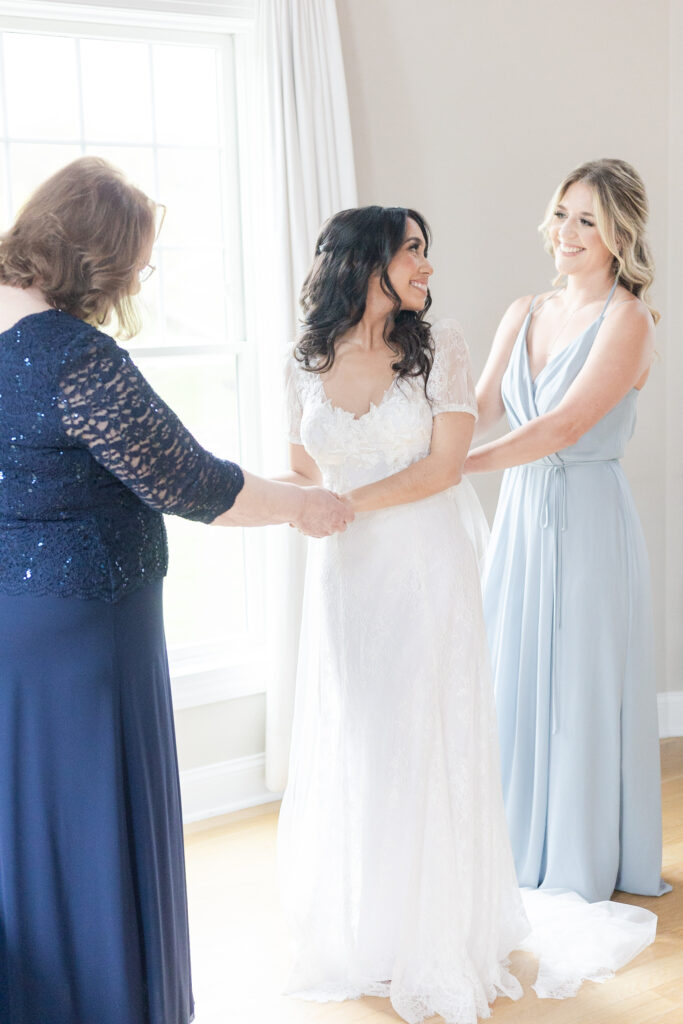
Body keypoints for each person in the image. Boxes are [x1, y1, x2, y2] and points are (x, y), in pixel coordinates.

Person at [0, 156, 351, 1024]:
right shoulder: (73, 357)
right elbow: (191, 483)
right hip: (89, 631)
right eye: (139, 265)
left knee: (29, 830)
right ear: (100, 258)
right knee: (92, 826)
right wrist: (304, 504)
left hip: (15, 625)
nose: (137, 282)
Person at [277, 205, 530, 1024]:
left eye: (425, 251)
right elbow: (300, 462)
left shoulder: (439, 348)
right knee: (366, 736)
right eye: (412, 251)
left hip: (424, 566)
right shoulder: (305, 357)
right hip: (348, 579)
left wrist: (345, 504)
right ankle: (375, 924)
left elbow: (442, 469)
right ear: (366, 262)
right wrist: (326, 507)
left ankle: (438, 931)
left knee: (426, 736)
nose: (426, 264)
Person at [467, 158, 670, 904]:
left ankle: (583, 855)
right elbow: (483, 406)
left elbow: (564, 425)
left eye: (587, 219)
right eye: (561, 214)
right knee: (512, 669)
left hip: (586, 517)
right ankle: (514, 846)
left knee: (581, 682)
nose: (567, 233)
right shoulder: (523, 311)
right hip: (521, 516)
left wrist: (454, 471)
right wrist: (413, 443)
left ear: (619, 233)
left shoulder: (630, 320)